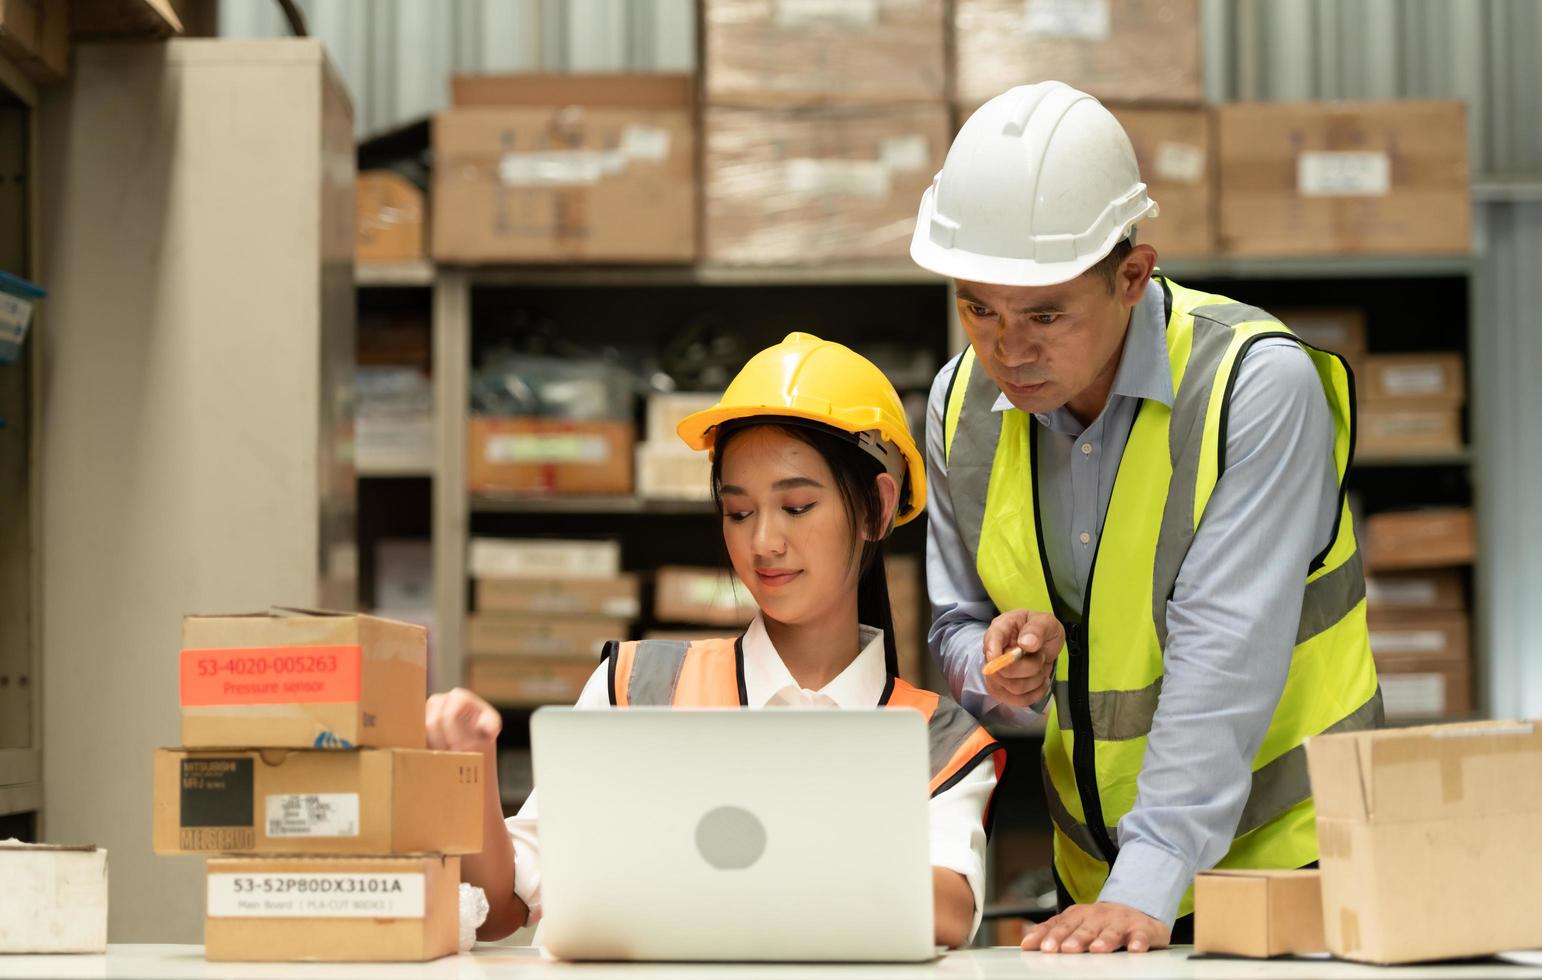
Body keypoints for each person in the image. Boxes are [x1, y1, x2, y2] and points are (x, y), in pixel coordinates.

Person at [911, 81, 1382, 953]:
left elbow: (1222, 653)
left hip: (1296, 866)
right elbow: (954, 626)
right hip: (1102, 888)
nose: (1007, 350)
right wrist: (990, 669)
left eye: (1046, 313)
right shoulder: (956, 406)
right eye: (978, 308)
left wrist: (1151, 875)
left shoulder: (1252, 387)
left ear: (1133, 275)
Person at [426, 332, 1005, 948]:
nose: (763, 544)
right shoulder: (638, 688)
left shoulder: (937, 739)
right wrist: (469, 769)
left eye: (798, 507)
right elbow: (498, 909)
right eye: (739, 513)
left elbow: (945, 908)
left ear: (875, 509)